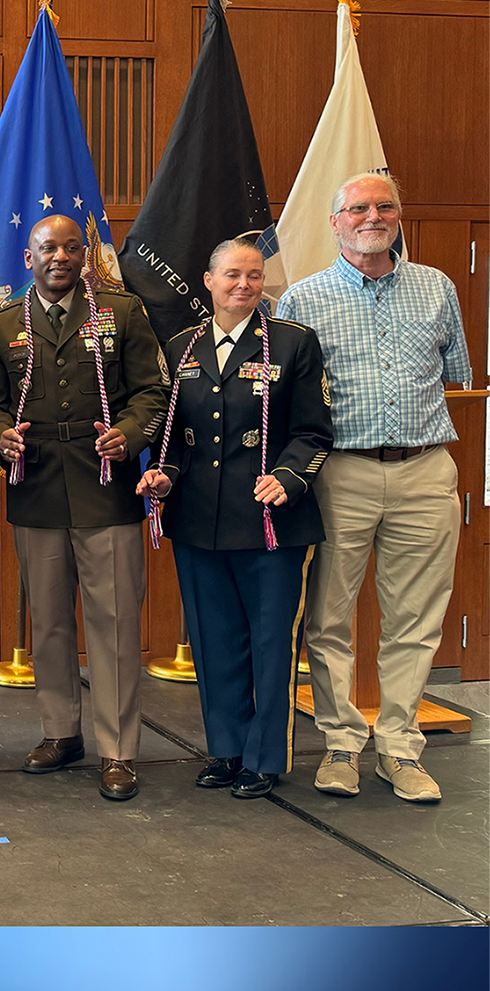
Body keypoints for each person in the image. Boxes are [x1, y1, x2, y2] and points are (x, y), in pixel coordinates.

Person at [277, 173, 471, 803]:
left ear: (398, 217)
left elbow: (458, 378)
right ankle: (339, 744)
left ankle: (400, 748)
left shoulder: (438, 288)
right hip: (341, 474)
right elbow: (284, 401)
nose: (371, 215)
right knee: (330, 615)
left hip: (425, 470)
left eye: (384, 206)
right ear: (334, 222)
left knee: (415, 618)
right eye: (357, 208)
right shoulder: (302, 300)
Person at [0, 214, 168, 801]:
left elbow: (153, 392)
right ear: (27, 257)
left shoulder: (122, 311)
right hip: (35, 489)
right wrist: (0, 434)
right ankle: (61, 733)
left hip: (104, 487)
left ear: (84, 255)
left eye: (70, 248)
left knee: (113, 625)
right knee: (51, 622)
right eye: (46, 248)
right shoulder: (3, 322)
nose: (59, 257)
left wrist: (132, 435)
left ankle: (118, 749)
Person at [137, 239, 333, 799]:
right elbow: (173, 438)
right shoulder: (181, 348)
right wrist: (164, 475)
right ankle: (225, 749)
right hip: (200, 520)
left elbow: (315, 431)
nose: (243, 285)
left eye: (253, 276)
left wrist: (289, 478)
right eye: (232, 275)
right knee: (213, 639)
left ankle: (265, 756)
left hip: (271, 522)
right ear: (208, 280)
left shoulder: (294, 344)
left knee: (271, 641)